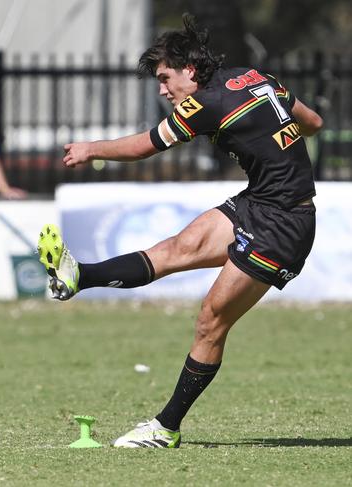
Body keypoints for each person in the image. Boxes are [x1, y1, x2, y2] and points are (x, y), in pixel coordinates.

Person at [37, 14, 322, 448]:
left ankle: (165, 427)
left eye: (165, 78)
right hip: (259, 202)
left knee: (211, 321)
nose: (163, 90)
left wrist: (91, 148)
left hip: (284, 224)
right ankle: (80, 275)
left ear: (190, 70)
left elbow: (145, 145)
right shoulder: (252, 76)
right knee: (176, 248)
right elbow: (314, 122)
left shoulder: (206, 103)